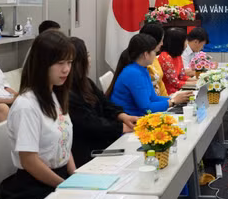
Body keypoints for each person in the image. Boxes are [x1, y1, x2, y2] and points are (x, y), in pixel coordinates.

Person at [0, 31, 76, 199]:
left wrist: (75, 177)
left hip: (59, 177)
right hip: (35, 188)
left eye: (69, 62)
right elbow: (29, 161)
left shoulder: (54, 95)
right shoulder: (27, 105)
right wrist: (65, 186)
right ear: (43, 64)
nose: (66, 69)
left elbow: (63, 139)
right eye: (60, 63)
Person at [68, 38, 138, 167]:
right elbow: (89, 123)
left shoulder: (86, 82)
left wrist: (123, 116)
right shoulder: (68, 93)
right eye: (87, 55)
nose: (90, 59)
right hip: (89, 151)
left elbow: (106, 103)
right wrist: (121, 127)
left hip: (105, 138)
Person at [108, 34, 191, 117]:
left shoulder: (142, 69)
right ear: (146, 54)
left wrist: (176, 99)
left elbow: (153, 98)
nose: (155, 55)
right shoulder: (134, 73)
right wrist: (172, 102)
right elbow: (147, 108)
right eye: (154, 52)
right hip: (133, 120)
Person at [158, 28, 190, 95]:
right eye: (185, 40)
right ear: (178, 42)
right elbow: (175, 83)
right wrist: (197, 83)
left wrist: (200, 81)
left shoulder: (178, 56)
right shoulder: (165, 57)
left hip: (178, 91)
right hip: (168, 94)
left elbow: (182, 77)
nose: (187, 43)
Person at [139, 23, 167, 97]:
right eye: (161, 40)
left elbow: (160, 83)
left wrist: (169, 100)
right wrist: (171, 102)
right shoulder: (141, 63)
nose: (162, 44)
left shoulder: (153, 57)